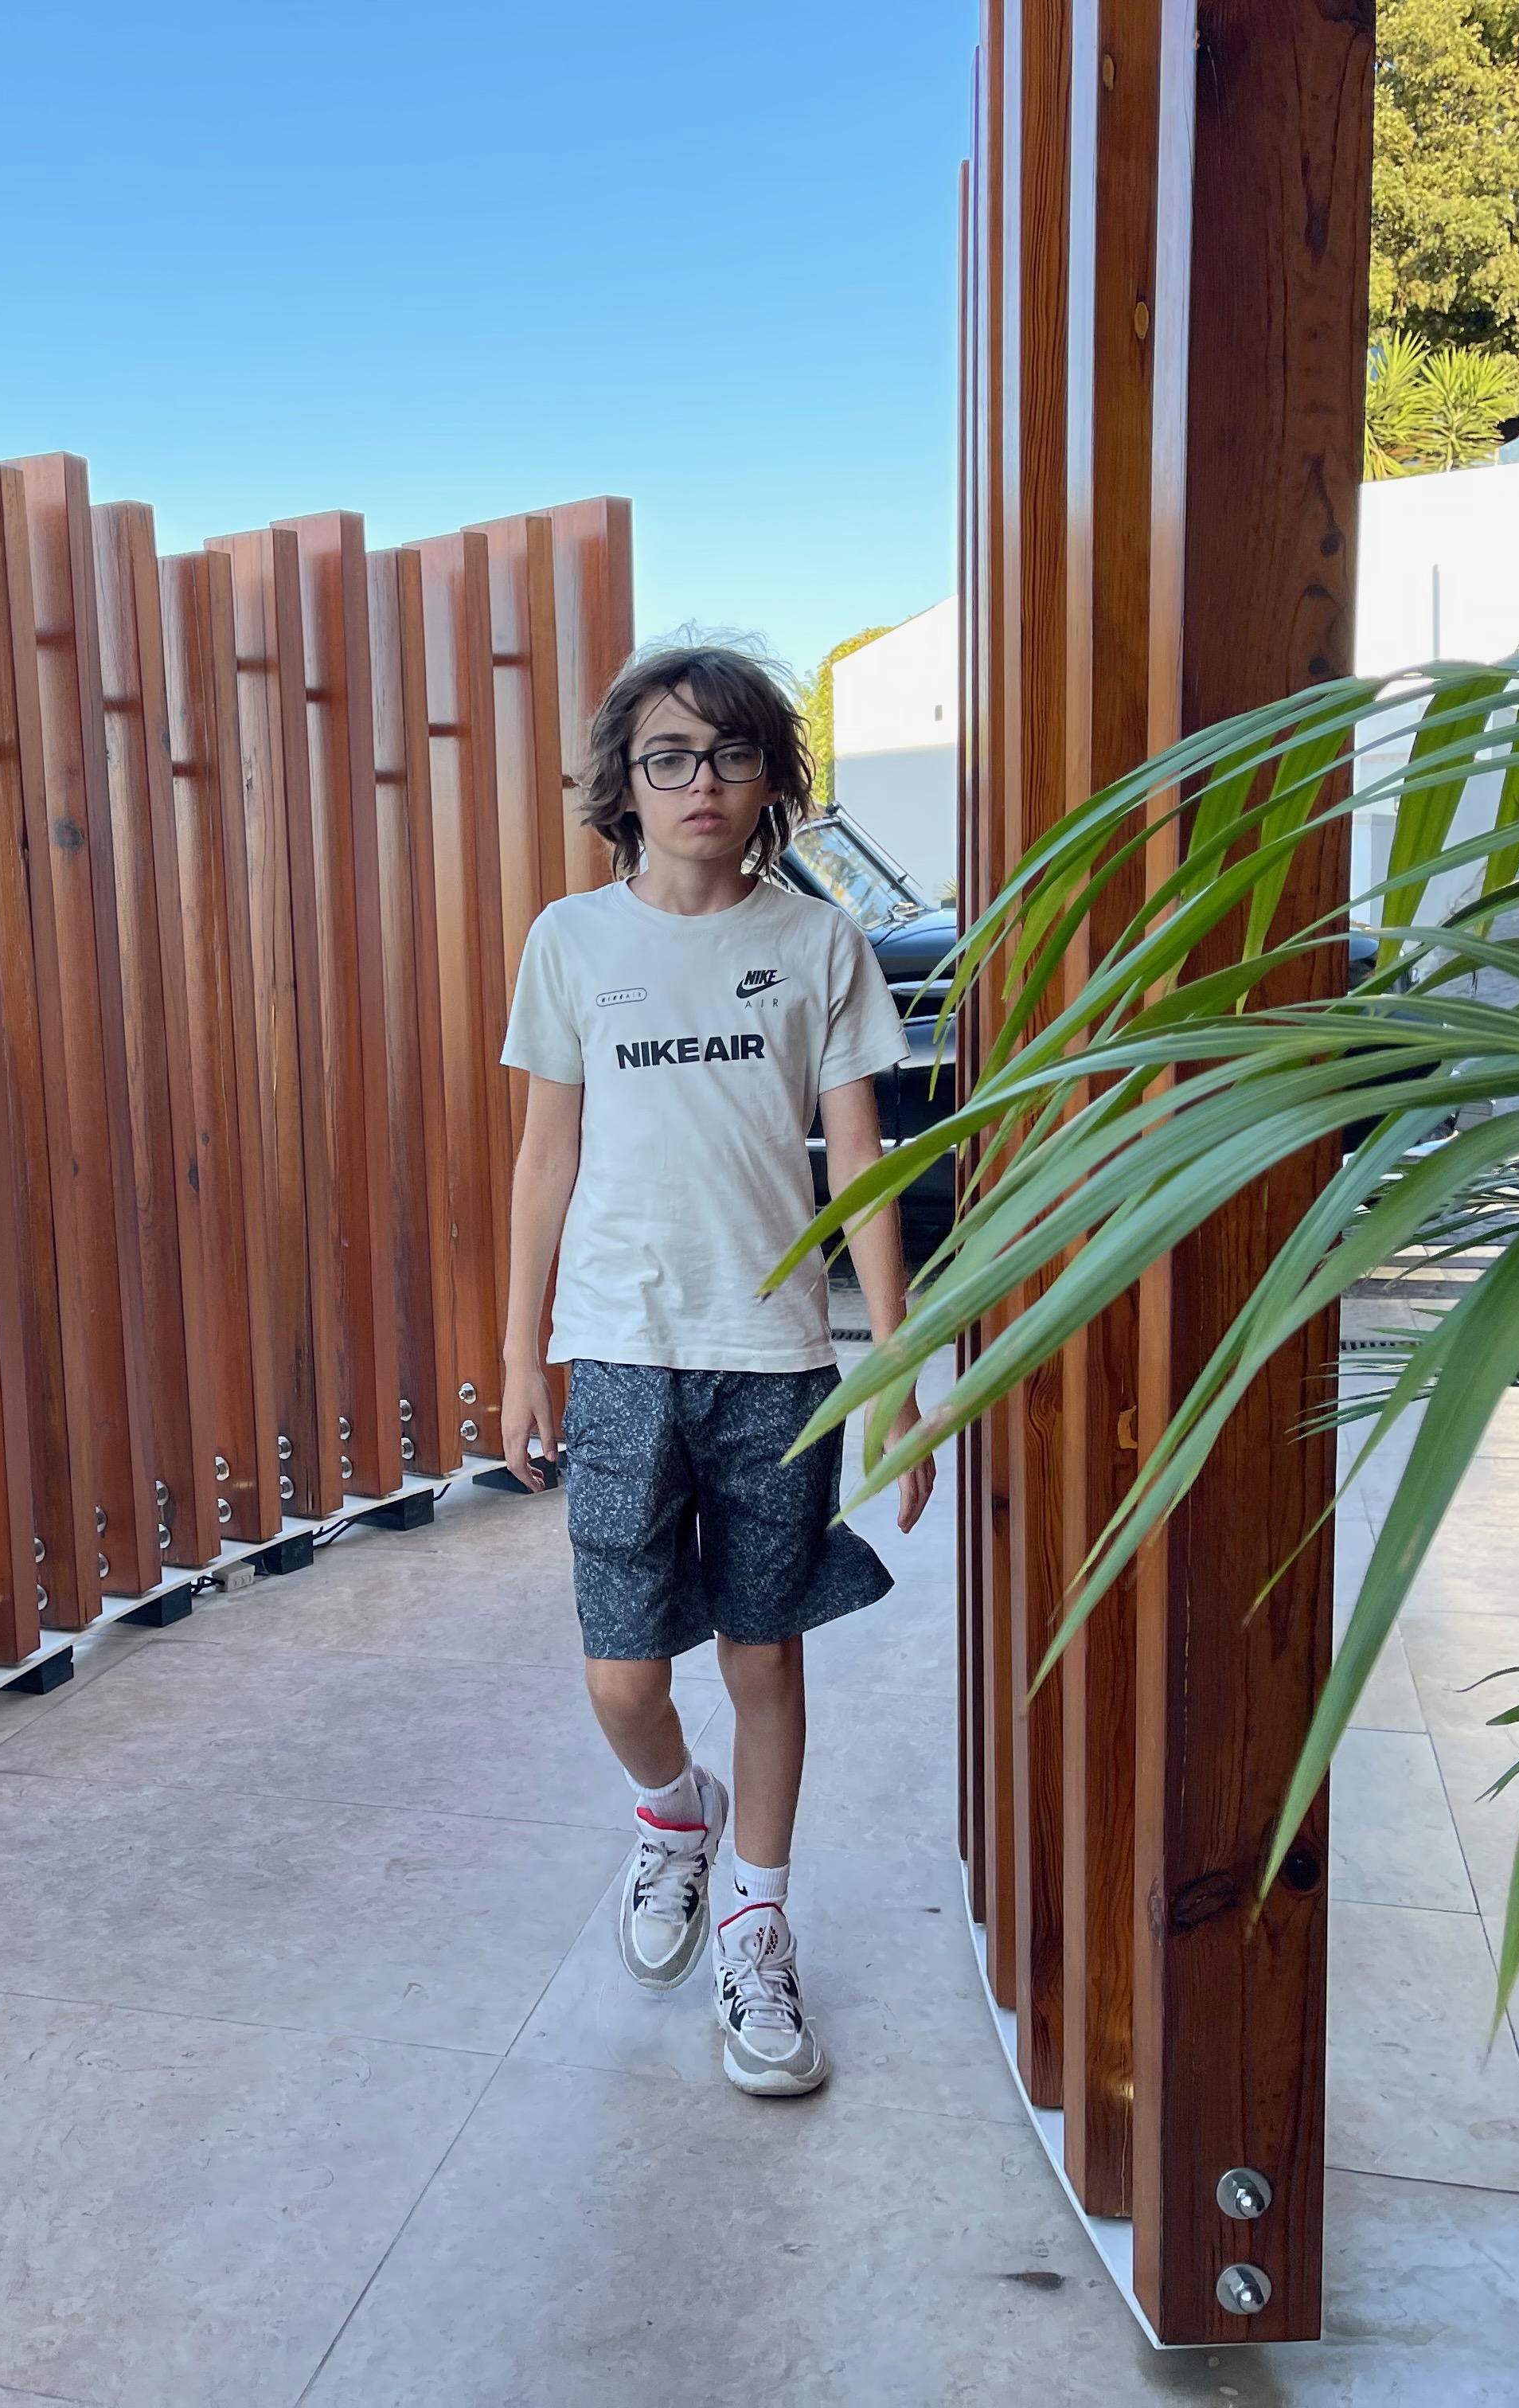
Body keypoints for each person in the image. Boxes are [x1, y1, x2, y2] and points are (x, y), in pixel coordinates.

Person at [496, 640, 934, 2098]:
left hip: (776, 1356)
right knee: (624, 1676)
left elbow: (862, 1161)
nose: (702, 783)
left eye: (733, 755)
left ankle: (757, 1922)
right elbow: (544, 1155)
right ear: (625, 783)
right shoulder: (571, 941)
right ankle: (673, 1814)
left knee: (764, 1650)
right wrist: (521, 1349)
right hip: (621, 1347)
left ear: (771, 783)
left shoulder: (820, 944)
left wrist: (899, 1363)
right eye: (670, 757)